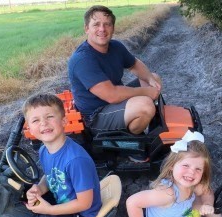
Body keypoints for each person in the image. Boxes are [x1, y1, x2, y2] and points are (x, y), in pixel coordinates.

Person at [68, 5, 162, 136]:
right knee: (145, 106)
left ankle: (140, 121)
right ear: (86, 29)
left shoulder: (116, 47)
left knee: (154, 77)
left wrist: (151, 80)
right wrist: (147, 92)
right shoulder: (82, 59)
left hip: (116, 102)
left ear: (113, 28)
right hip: (96, 116)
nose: (102, 29)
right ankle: (131, 141)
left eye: (107, 24)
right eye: (96, 24)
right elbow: (112, 95)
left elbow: (134, 64)